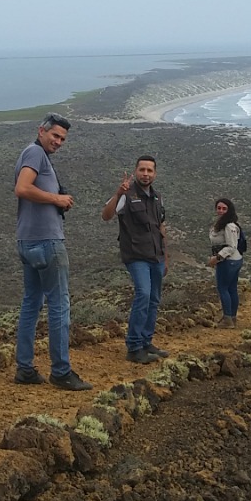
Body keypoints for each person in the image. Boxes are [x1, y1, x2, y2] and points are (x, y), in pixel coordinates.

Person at [13, 113, 92, 391]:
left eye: (62, 138)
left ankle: (25, 368)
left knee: (31, 304)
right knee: (59, 305)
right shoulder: (34, 152)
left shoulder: (36, 154)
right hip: (47, 242)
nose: (58, 142)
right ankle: (61, 371)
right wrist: (57, 198)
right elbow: (22, 188)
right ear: (41, 131)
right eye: (55, 136)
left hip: (27, 241)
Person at [100, 154, 168, 364]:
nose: (146, 174)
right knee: (143, 295)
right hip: (136, 255)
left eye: (150, 170)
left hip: (156, 255)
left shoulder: (157, 197)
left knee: (154, 299)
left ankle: (146, 342)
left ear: (155, 173)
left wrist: (165, 255)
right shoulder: (126, 194)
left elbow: (161, 226)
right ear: (135, 171)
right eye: (142, 170)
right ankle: (134, 346)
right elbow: (106, 215)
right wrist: (118, 192)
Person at [206, 198, 244, 328]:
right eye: (219, 208)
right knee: (232, 288)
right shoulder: (221, 223)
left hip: (228, 261)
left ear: (229, 210)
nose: (221, 211)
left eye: (224, 208)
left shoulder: (229, 226)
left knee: (223, 288)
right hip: (232, 260)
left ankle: (228, 318)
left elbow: (231, 246)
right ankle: (232, 317)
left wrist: (216, 258)